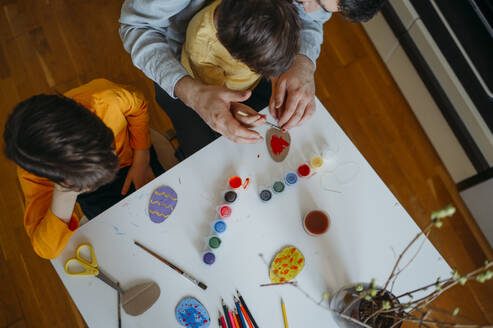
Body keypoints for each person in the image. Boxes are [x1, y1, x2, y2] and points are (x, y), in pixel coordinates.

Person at [119, 0, 385, 158]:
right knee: (203, 152)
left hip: (251, 66)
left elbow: (310, 17)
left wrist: (304, 61)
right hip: (180, 72)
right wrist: (193, 93)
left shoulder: (313, 3)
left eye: (325, 6)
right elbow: (136, 27)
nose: (308, 8)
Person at [3, 79, 164, 259]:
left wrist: (141, 156)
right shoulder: (33, 175)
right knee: (131, 244)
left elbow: (138, 104)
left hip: (134, 160)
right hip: (95, 194)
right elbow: (46, 250)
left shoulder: (105, 99)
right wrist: (65, 194)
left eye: (109, 145)